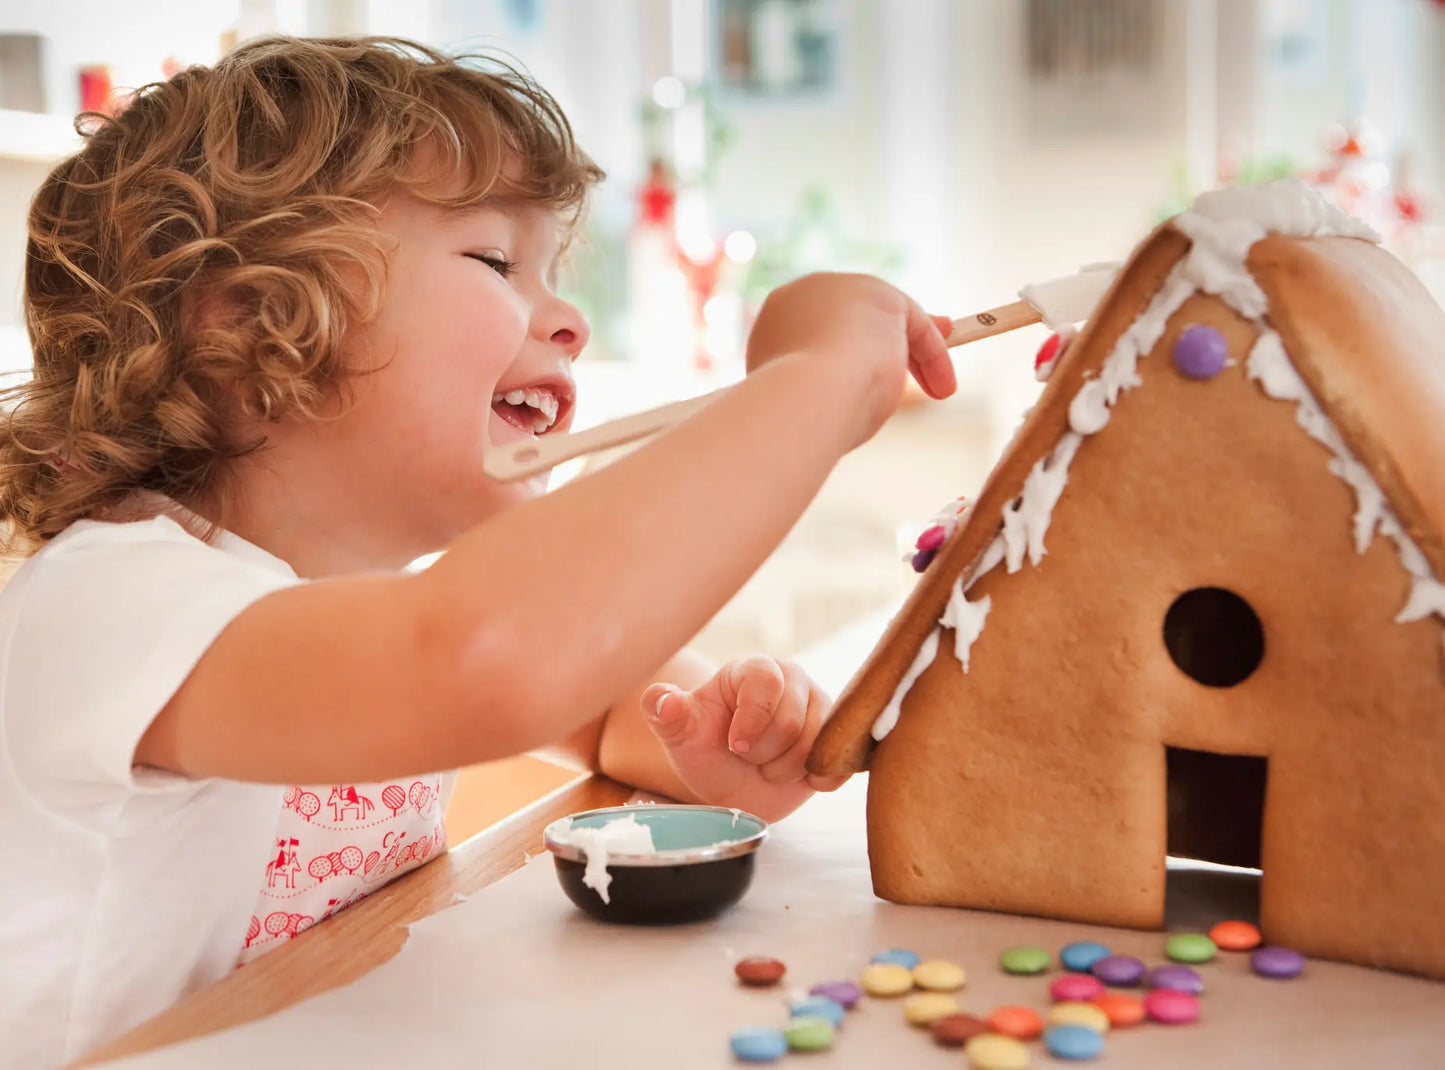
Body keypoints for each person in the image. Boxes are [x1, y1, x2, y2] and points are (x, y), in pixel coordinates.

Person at [0, 36, 955, 1067]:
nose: (571, 322)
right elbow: (487, 660)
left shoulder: (367, 598)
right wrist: (811, 382)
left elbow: (584, 701)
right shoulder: (113, 601)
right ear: (252, 316)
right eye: (496, 260)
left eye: (556, 272)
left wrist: (703, 735)